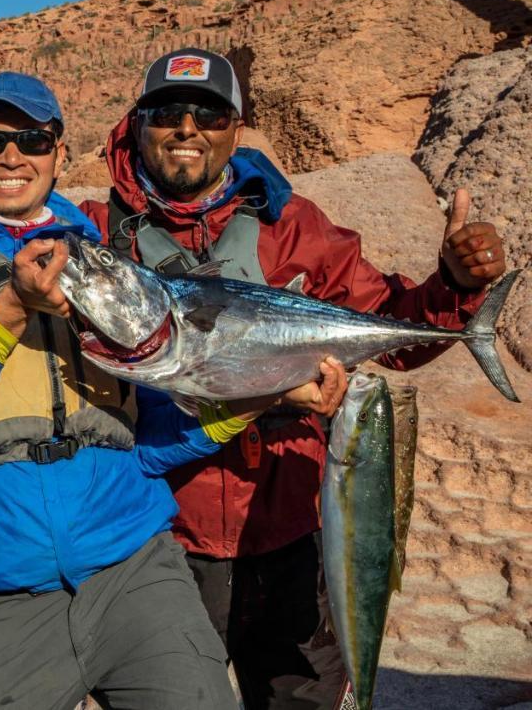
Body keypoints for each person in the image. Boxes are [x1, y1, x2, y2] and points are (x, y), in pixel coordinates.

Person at [0, 72, 346, 710]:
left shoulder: (106, 263)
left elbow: (146, 441)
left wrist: (262, 399)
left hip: (139, 571)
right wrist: (8, 314)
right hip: (0, 588)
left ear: (59, 155)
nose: (12, 157)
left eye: (33, 140)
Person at [76, 47, 508, 709]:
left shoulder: (293, 223)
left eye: (210, 115)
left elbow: (389, 334)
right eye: (168, 112)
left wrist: (452, 286)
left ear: (237, 128)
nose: (188, 127)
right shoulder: (97, 231)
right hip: (157, 533)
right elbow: (0, 242)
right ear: (137, 123)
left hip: (293, 527)